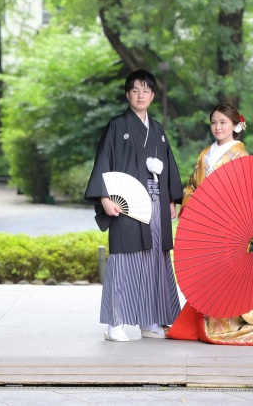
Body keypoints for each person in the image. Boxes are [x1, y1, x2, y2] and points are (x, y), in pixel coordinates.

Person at [85, 69, 183, 342]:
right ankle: (114, 324)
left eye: (146, 91)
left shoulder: (159, 131)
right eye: (135, 90)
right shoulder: (117, 126)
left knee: (154, 261)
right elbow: (104, 161)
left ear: (153, 95)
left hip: (156, 204)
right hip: (127, 205)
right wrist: (105, 197)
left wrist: (172, 200)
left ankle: (150, 321)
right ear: (128, 94)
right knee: (124, 260)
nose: (141, 96)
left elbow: (170, 169)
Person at [167, 103, 253, 345]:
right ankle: (203, 321)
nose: (218, 127)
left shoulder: (240, 155)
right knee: (206, 271)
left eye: (223, 122)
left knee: (225, 272)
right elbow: (192, 186)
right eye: (214, 122)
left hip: (228, 224)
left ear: (236, 125)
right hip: (204, 222)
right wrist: (194, 204)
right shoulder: (206, 153)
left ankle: (226, 323)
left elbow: (246, 193)